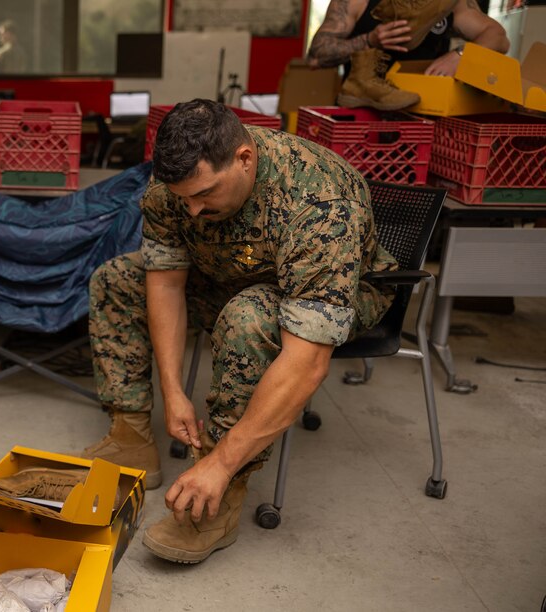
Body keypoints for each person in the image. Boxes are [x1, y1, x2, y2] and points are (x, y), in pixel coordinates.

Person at [85, 99, 399, 564]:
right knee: (116, 279)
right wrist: (173, 391)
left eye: (204, 194)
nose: (192, 210)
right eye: (183, 198)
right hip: (227, 274)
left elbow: (308, 361)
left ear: (244, 159)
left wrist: (221, 463)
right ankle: (131, 435)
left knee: (247, 317)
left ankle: (218, 492)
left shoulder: (320, 203)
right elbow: (166, 280)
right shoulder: (179, 180)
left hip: (328, 296)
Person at [307, 0, 509, 109]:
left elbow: (499, 37)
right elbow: (316, 55)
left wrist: (460, 55)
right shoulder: (355, 2)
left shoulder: (450, 3)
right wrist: (369, 40)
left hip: (422, 112)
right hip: (363, 112)